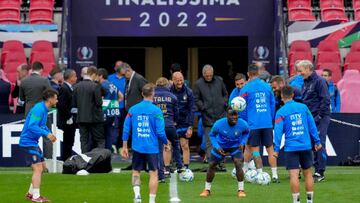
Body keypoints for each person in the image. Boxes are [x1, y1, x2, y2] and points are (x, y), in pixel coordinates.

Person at [121, 83, 169, 203]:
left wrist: (124, 146)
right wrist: (166, 143)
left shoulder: (133, 109)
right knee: (153, 173)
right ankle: (151, 201)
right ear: (153, 94)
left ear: (142, 94)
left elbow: (126, 128)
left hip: (137, 147)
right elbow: (160, 132)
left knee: (136, 171)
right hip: (151, 147)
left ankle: (137, 195)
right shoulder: (157, 111)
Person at [273, 86, 322, 203]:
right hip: (305, 146)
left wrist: (276, 149)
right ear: (293, 95)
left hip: (291, 148)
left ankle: (297, 202)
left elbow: (278, 133)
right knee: (308, 174)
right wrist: (317, 141)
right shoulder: (303, 107)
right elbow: (312, 126)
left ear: (282, 97)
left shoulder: (281, 112)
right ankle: (310, 201)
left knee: (294, 176)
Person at [239, 64, 279, 182]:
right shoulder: (267, 87)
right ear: (258, 73)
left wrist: (245, 121)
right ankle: (275, 175)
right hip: (267, 122)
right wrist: (270, 118)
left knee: (254, 149)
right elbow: (273, 104)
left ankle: (260, 174)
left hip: (253, 123)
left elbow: (242, 108)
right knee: (270, 148)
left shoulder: (245, 89)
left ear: (248, 74)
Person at [200, 108, 249, 198]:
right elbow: (212, 135)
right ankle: (207, 189)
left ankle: (241, 190)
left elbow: (247, 132)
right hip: (221, 147)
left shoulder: (243, 123)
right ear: (227, 115)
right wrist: (217, 146)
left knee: (238, 164)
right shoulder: (219, 124)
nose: (234, 117)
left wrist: (242, 142)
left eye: (236, 115)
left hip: (236, 147)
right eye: (232, 115)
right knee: (211, 165)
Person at [19, 89, 58, 203]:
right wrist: (47, 134)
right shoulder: (39, 109)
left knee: (42, 168)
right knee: (38, 168)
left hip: (33, 142)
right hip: (28, 142)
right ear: (50, 99)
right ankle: (36, 197)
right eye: (55, 98)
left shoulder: (44, 109)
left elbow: (41, 125)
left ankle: (31, 193)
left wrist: (49, 132)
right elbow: (32, 126)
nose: (57, 100)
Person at [296, 60, 330, 182]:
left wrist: (319, 117)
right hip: (309, 118)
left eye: (300, 71)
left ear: (308, 69)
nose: (299, 73)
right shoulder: (305, 82)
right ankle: (308, 169)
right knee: (309, 144)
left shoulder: (320, 81)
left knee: (319, 143)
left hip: (320, 117)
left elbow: (326, 100)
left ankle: (320, 172)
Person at [193, 64, 228, 165]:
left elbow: (225, 94)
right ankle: (212, 162)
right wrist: (203, 107)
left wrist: (224, 103)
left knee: (222, 140)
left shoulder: (219, 81)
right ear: (203, 74)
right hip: (207, 116)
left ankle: (221, 162)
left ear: (213, 74)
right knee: (209, 142)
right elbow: (196, 98)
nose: (208, 77)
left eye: (210, 75)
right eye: (206, 75)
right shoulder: (198, 84)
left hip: (221, 116)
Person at [154, 77, 180, 181]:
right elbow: (176, 113)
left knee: (159, 150)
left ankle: (161, 175)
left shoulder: (153, 96)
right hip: (169, 125)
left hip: (157, 127)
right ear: (167, 85)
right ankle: (180, 167)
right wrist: (174, 121)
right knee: (176, 145)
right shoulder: (172, 96)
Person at [73, 66, 104, 153]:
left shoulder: (76, 86)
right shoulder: (95, 86)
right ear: (93, 74)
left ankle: (84, 162)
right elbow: (99, 103)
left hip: (81, 118)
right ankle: (100, 161)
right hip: (95, 119)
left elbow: (74, 104)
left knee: (84, 141)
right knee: (99, 140)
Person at [170, 72, 195, 170]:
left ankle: (186, 168)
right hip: (172, 122)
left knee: (184, 145)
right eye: (177, 80)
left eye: (181, 80)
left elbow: (191, 110)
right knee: (168, 146)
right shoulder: (169, 91)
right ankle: (168, 167)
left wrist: (190, 126)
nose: (180, 82)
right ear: (173, 80)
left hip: (184, 122)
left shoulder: (189, 92)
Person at [97, 68, 122, 151]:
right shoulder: (112, 84)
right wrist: (113, 104)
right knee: (109, 134)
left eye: (97, 76)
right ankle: (108, 154)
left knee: (101, 135)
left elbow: (99, 99)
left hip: (103, 113)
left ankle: (101, 155)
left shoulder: (102, 85)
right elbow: (121, 96)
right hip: (112, 113)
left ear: (100, 76)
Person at [57, 69, 77, 161]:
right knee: (68, 141)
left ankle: (67, 159)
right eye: (75, 76)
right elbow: (61, 105)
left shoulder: (68, 87)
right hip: (66, 120)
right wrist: (69, 117)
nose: (76, 78)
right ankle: (66, 160)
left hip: (70, 119)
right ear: (70, 77)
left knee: (69, 141)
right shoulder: (64, 88)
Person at [108, 60, 126, 151]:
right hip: (112, 107)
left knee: (123, 127)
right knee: (112, 126)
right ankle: (112, 145)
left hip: (123, 107)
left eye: (122, 66)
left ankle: (121, 146)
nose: (120, 68)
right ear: (115, 68)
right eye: (118, 66)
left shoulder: (127, 79)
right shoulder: (109, 78)